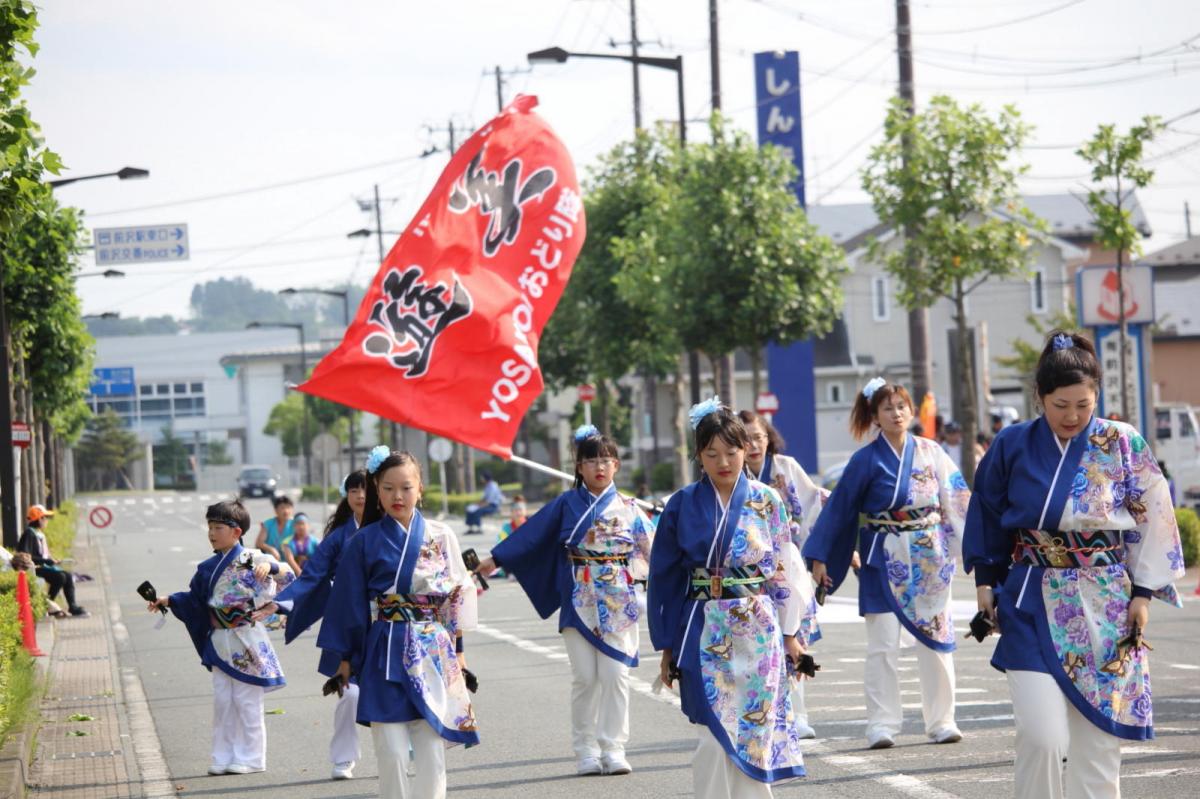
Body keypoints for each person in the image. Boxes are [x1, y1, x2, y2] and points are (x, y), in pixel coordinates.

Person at [964, 331, 1185, 799]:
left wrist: (1143, 593)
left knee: (1098, 740)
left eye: (1083, 405)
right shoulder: (1011, 444)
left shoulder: (1122, 442)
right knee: (1041, 736)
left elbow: (1155, 516)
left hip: (1106, 603)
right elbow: (987, 511)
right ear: (1040, 397)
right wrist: (985, 582)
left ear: (1097, 396)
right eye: (1060, 405)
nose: (1072, 416)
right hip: (1030, 597)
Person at [647, 399, 808, 797]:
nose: (723, 462)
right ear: (698, 456)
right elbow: (664, 577)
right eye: (711, 454)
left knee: (755, 725)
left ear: (745, 449)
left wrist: (791, 632)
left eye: (732, 452)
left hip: (758, 625)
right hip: (703, 625)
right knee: (711, 732)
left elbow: (784, 568)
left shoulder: (767, 500)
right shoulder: (681, 504)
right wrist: (666, 646)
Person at [476, 425, 654, 777]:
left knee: (616, 675)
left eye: (606, 460)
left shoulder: (631, 509)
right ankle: (586, 749)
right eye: (591, 461)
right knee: (585, 678)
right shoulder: (565, 504)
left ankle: (614, 748)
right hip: (579, 597)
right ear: (579, 467)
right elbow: (530, 535)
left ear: (616, 465)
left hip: (618, 600)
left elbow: (658, 553)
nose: (599, 467)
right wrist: (495, 559)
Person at [804, 377, 970, 749]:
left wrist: (972, 548)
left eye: (901, 406)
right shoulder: (865, 460)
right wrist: (820, 555)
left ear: (911, 411)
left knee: (937, 640)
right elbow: (840, 509)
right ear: (875, 416)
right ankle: (882, 724)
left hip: (929, 559)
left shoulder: (932, 452)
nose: (896, 414)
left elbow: (957, 501)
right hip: (883, 557)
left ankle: (942, 720)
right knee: (882, 644)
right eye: (887, 408)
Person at [318, 449, 478, 799]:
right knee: (390, 751)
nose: (397, 496)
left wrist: (459, 653)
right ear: (377, 489)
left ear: (420, 488)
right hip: (383, 649)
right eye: (388, 488)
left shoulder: (441, 535)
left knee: (431, 748)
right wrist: (345, 660)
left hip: (432, 649)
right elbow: (347, 604)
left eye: (406, 487)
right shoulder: (363, 541)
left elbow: (456, 597)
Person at [148, 499, 293, 775]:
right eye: (210, 527)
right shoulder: (207, 567)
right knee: (223, 701)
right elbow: (194, 599)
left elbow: (288, 576)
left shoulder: (249, 559)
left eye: (218, 528)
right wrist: (169, 600)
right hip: (219, 640)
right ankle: (222, 756)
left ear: (237, 531)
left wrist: (271, 568)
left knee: (247, 701)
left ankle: (252, 758)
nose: (212, 533)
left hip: (247, 639)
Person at [257, 470, 369, 780]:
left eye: (366, 490)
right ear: (346, 495)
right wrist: (281, 603)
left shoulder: (392, 529)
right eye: (354, 490)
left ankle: (404, 748)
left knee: (393, 691)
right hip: (346, 624)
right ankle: (344, 758)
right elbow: (312, 575)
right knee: (350, 693)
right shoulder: (338, 537)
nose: (361, 496)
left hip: (387, 625)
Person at [739, 409, 827, 740]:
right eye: (745, 439)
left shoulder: (786, 468)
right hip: (750, 575)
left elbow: (815, 506)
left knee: (795, 638)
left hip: (789, 565)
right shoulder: (731, 474)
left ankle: (797, 714)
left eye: (758, 437)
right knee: (759, 644)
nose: (753, 445)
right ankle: (765, 713)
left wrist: (821, 554)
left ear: (769, 438)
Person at [18, 505, 86, 617]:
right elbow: (25, 556)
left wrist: (51, 560)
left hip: (43, 566)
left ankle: (72, 606)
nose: (46, 521)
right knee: (60, 577)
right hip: (35, 568)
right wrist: (47, 561)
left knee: (68, 575)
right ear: (39, 519)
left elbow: (42, 555)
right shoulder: (29, 534)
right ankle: (47, 606)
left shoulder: (38, 533)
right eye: (45, 518)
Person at [493, 495, 528, 579]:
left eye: (520, 510)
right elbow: (500, 543)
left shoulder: (531, 524)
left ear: (525, 512)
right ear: (511, 513)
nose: (518, 513)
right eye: (515, 510)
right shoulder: (507, 527)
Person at [255, 494, 294, 559]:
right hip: (271, 559)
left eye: (288, 507)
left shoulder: (295, 524)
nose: (286, 511)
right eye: (282, 508)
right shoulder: (268, 524)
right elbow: (259, 543)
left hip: (290, 559)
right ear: (276, 510)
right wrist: (271, 549)